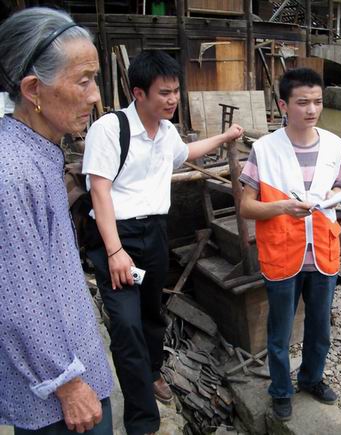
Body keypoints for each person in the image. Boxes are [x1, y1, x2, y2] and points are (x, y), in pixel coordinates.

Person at [82, 50, 242, 435]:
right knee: (125, 325)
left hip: (155, 233)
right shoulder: (109, 129)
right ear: (138, 92)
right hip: (115, 235)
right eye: (164, 93)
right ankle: (143, 423)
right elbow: (99, 192)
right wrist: (115, 250)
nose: (173, 100)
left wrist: (226, 136)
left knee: (152, 312)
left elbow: (187, 154)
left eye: (175, 92)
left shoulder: (167, 132)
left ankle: (153, 371)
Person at [0, 7, 113, 434]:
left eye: (95, 78)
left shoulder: (39, 150)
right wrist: (66, 384)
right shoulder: (10, 171)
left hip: (76, 361)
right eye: (83, 80)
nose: (95, 95)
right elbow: (16, 296)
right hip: (59, 398)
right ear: (33, 89)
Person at [239, 68, 341, 421]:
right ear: (284, 105)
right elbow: (246, 205)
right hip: (283, 251)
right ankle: (281, 390)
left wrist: (331, 196)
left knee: (320, 327)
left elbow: (338, 187)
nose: (312, 109)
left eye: (317, 101)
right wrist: (283, 207)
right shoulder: (264, 149)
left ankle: (312, 378)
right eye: (303, 102)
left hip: (323, 252)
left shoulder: (333, 145)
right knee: (280, 332)